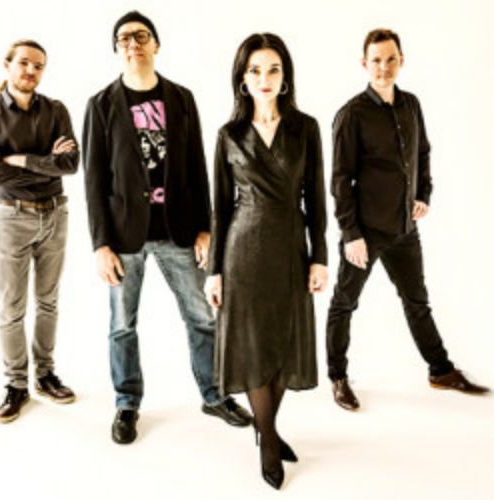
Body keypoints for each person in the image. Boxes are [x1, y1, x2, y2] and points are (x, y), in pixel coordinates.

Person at [82, 11, 252, 445]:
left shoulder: (181, 99)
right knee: (122, 325)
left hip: (179, 230)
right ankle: (126, 403)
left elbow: (197, 167)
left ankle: (215, 395)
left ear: (156, 44)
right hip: (124, 237)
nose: (132, 43)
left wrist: (206, 229)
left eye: (141, 36)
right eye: (124, 38)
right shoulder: (101, 105)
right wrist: (100, 244)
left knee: (202, 317)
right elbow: (94, 179)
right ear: (117, 49)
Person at [326, 28, 489, 411]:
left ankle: (440, 371)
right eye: (376, 60)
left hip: (404, 228)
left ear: (402, 60)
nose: (384, 67)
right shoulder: (352, 114)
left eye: (391, 59)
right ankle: (337, 378)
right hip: (365, 232)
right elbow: (340, 180)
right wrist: (351, 233)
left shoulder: (411, 104)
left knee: (418, 301)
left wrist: (423, 195)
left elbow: (422, 153)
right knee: (344, 303)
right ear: (364, 63)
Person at [205, 33, 328, 489]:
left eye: (273, 69)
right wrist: (213, 271)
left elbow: (317, 200)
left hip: (291, 246)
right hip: (243, 250)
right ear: (242, 79)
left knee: (284, 340)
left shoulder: (306, 128)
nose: (264, 78)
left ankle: (265, 428)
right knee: (254, 343)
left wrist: (320, 257)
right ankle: (270, 442)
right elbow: (220, 209)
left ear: (285, 75)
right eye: (255, 70)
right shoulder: (229, 135)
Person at [0, 40, 78, 423]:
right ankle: (16, 384)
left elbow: (71, 164)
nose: (31, 71)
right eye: (24, 63)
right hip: (11, 218)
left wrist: (22, 159)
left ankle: (45, 375)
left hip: (55, 215)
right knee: (11, 307)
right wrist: (47, 163)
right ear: (8, 64)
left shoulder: (56, 110)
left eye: (38, 66)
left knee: (48, 301)